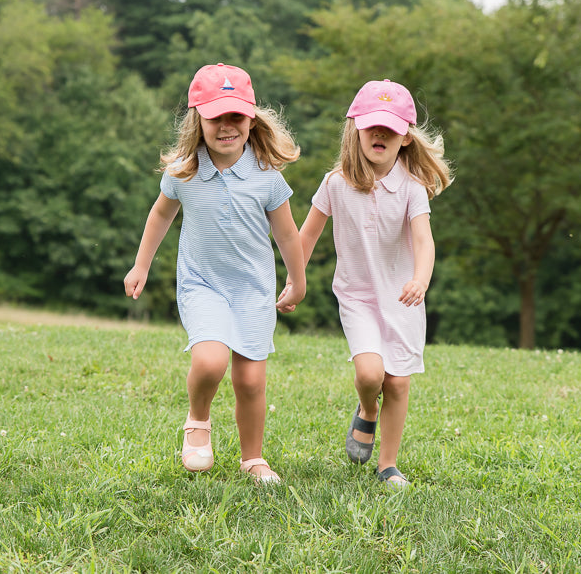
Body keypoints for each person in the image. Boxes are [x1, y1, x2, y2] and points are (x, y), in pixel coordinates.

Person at [124, 63, 306, 484]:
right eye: (215, 117)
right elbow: (160, 216)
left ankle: (252, 459)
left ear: (251, 118)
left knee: (250, 379)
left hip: (253, 291)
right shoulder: (184, 171)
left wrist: (297, 280)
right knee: (210, 361)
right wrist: (141, 264)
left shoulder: (267, 176)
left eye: (236, 116)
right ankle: (198, 422)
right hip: (202, 284)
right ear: (197, 120)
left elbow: (288, 233)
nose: (227, 126)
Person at [278, 79, 452, 488]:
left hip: (403, 298)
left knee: (399, 381)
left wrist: (420, 279)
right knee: (372, 374)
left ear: (406, 137)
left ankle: (387, 464)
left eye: (390, 128)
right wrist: (293, 282)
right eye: (372, 125)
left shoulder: (412, 188)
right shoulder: (335, 183)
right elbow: (305, 237)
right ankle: (366, 411)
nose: (380, 134)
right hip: (357, 295)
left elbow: (424, 239)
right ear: (355, 128)